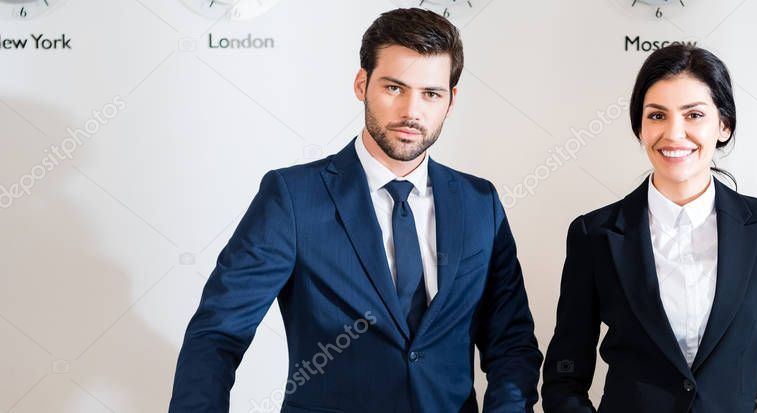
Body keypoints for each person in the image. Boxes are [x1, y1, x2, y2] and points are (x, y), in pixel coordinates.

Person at [169, 8, 542, 412]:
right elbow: (218, 333)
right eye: (395, 88)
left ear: (451, 101)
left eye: (431, 94)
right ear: (362, 84)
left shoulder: (479, 203)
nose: (412, 112)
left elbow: (511, 342)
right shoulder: (293, 197)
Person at [541, 44, 757, 412]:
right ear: (639, 127)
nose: (674, 134)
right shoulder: (594, 235)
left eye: (694, 115)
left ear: (724, 125)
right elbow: (565, 375)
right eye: (657, 116)